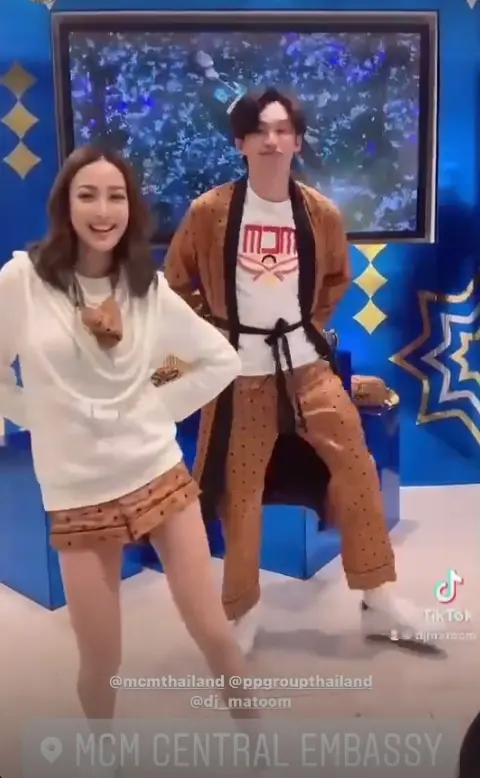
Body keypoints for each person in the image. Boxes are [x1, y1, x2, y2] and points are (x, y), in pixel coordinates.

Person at [0, 146, 260, 743]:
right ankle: (105, 755)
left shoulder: (146, 286)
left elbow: (216, 359)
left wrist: (152, 402)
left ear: (131, 207)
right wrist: (40, 415)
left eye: (115, 196)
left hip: (157, 473)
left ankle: (260, 747)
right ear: (65, 205)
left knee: (214, 633)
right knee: (102, 661)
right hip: (78, 491)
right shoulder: (22, 281)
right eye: (87, 195)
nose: (103, 210)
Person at [163, 87, 435, 655]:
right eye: (259, 130)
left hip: (308, 371)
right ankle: (242, 609)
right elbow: (177, 282)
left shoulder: (319, 212)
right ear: (240, 142)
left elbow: (336, 278)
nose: (271, 140)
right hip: (239, 378)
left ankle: (378, 598)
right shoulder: (210, 211)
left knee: (357, 470)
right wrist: (215, 335)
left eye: (282, 129)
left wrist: (304, 328)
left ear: (297, 140)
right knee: (239, 494)